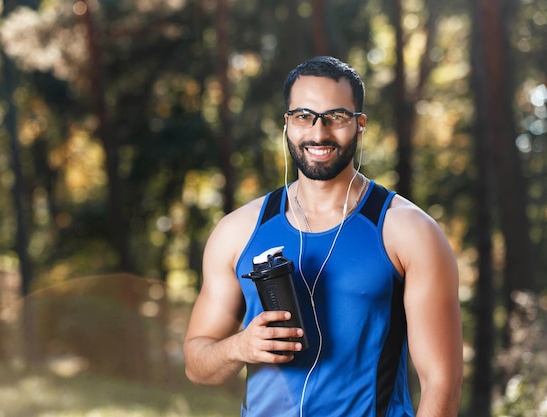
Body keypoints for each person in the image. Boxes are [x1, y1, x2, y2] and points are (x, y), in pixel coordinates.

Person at [183, 56, 463, 417]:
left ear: (360, 125)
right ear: (287, 124)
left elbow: (443, 383)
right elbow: (197, 364)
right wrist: (239, 347)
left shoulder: (409, 231)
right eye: (304, 116)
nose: (318, 133)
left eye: (337, 117)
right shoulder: (238, 231)